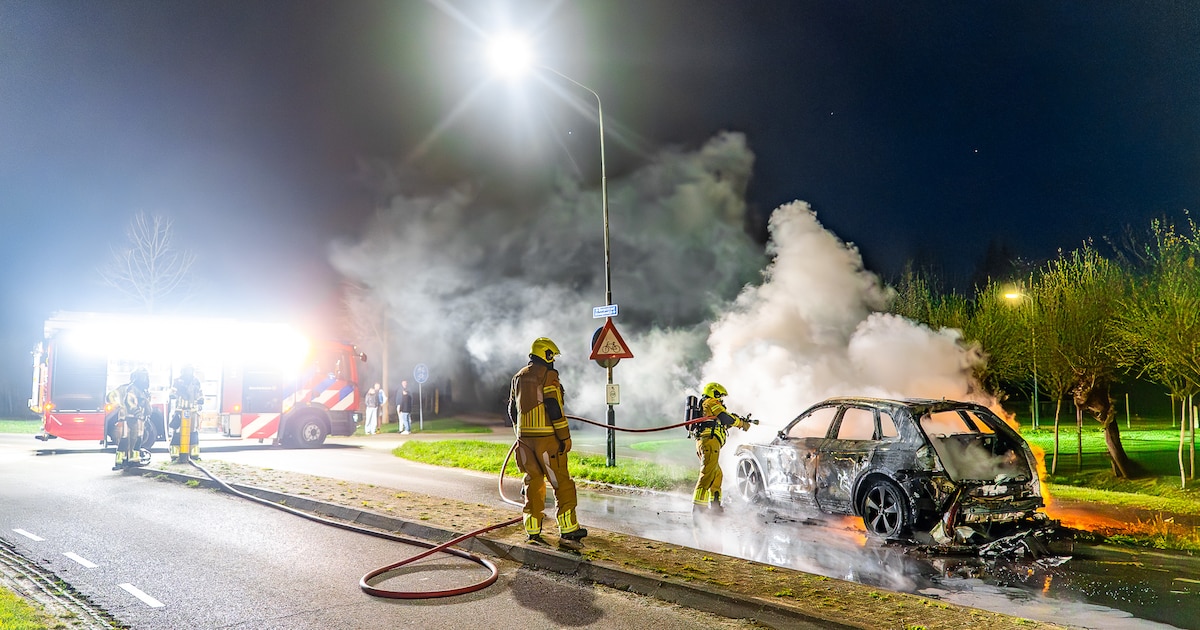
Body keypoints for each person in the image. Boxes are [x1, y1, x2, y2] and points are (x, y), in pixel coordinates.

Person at [507, 337, 587, 543]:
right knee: (561, 483)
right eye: (553, 357)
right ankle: (569, 528)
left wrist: (520, 434)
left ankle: (532, 529)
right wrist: (565, 437)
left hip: (524, 442)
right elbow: (553, 407)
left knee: (533, 483)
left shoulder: (518, 377)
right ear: (547, 355)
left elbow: (511, 409)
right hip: (548, 441)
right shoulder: (548, 375)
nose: (554, 362)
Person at [692, 382, 752, 514]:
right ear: (714, 392)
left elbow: (721, 422)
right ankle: (699, 509)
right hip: (709, 442)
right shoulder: (710, 402)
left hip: (709, 443)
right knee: (707, 475)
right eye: (720, 396)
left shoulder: (708, 407)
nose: (721, 400)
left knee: (717, 475)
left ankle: (715, 507)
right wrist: (740, 423)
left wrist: (737, 420)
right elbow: (725, 418)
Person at [108, 368, 151, 471]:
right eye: (142, 376)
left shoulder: (144, 392)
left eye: (145, 377)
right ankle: (120, 462)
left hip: (139, 420)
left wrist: (146, 414)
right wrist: (118, 405)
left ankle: (133, 460)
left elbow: (147, 408)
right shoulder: (125, 388)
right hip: (126, 419)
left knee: (137, 440)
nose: (144, 379)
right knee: (124, 439)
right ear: (135, 377)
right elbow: (110, 396)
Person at [169, 364, 204, 462]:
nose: (188, 373)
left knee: (193, 430)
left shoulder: (196, 381)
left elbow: (199, 392)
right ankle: (175, 452)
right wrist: (172, 395)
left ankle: (194, 452)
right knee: (178, 431)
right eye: (186, 371)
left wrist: (201, 399)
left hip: (193, 410)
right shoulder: (177, 381)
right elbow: (173, 391)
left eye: (190, 370)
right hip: (180, 410)